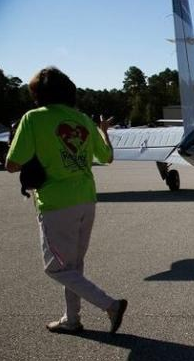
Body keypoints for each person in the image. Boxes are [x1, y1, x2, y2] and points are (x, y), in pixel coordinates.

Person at [4, 67, 127, 334]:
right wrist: (103, 130)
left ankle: (110, 305)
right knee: (73, 267)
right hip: (86, 199)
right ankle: (72, 320)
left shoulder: (33, 119)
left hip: (56, 203)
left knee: (55, 270)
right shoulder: (82, 119)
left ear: (39, 94)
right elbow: (106, 157)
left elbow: (12, 164)